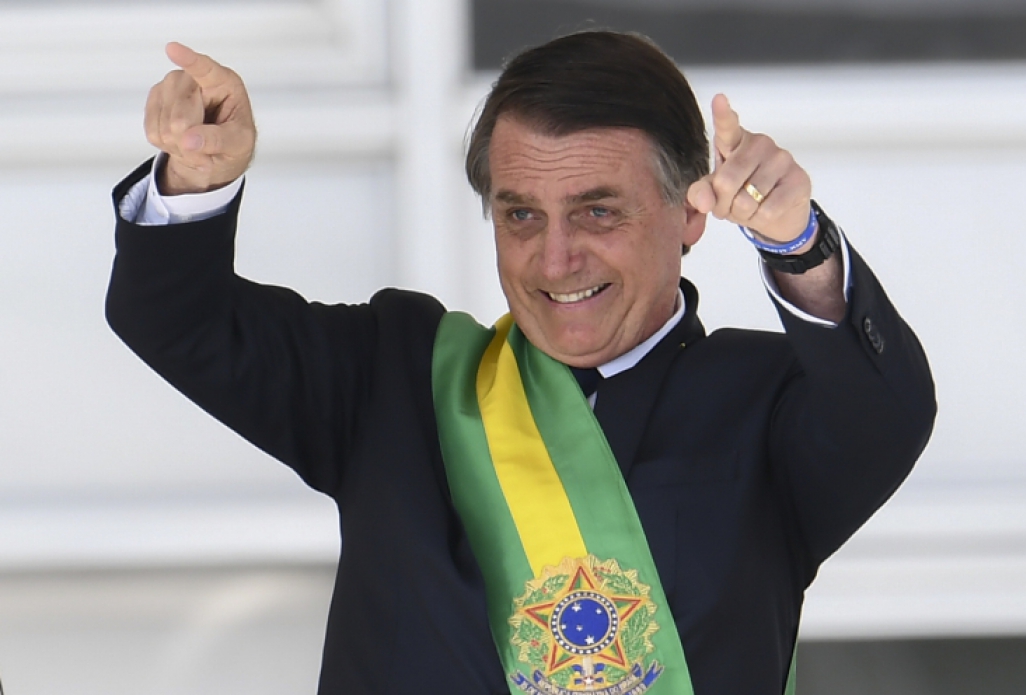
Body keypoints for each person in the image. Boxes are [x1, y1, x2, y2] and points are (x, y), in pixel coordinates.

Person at [106, 31, 935, 695]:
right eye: (520, 214)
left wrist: (797, 245)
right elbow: (174, 318)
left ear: (690, 213)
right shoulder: (393, 378)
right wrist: (195, 180)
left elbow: (886, 412)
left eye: (597, 211)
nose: (554, 258)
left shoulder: (769, 403)